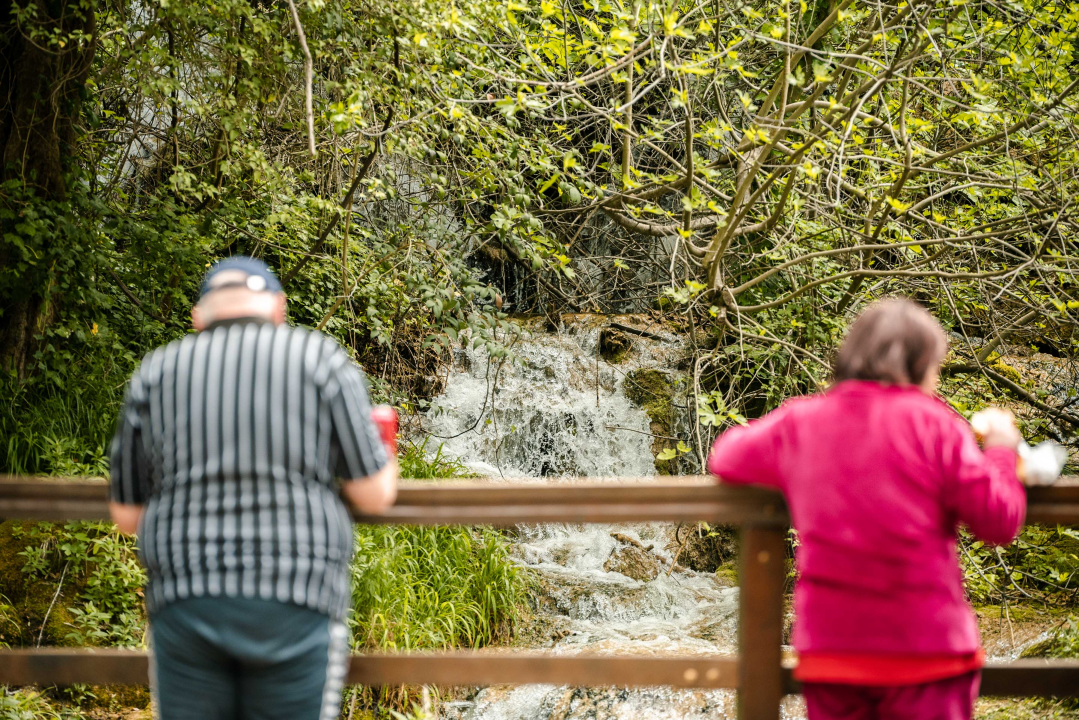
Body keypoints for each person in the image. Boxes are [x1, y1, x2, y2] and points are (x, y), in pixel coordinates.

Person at [108, 256, 399, 720]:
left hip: (186, 596)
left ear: (199, 317)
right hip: (295, 593)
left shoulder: (156, 372)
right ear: (279, 309)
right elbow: (372, 494)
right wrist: (385, 451)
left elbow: (126, 517)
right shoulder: (319, 359)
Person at [707, 298, 1025, 720]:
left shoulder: (800, 422)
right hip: (927, 652)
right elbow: (999, 520)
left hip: (832, 654)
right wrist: (1001, 450)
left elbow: (726, 457)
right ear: (919, 365)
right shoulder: (936, 425)